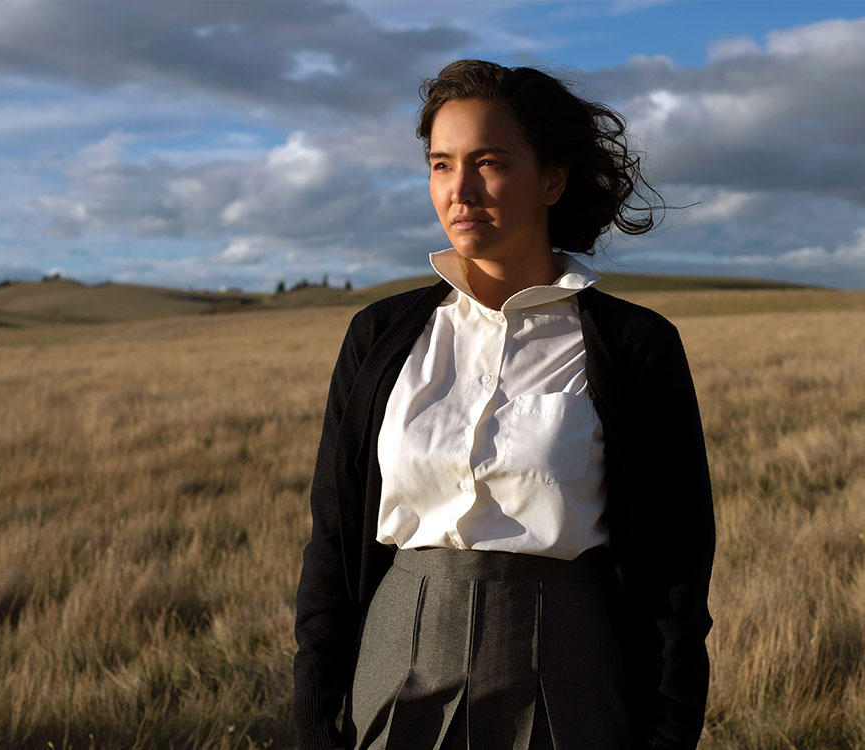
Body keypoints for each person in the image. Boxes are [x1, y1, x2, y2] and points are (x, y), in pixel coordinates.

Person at [293, 59, 715, 750]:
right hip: (395, 666)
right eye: (440, 164)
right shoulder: (380, 336)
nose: (460, 191)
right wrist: (313, 717)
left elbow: (676, 570)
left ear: (552, 178)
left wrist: (667, 730)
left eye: (489, 163)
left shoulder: (634, 346)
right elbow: (333, 541)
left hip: (568, 669)